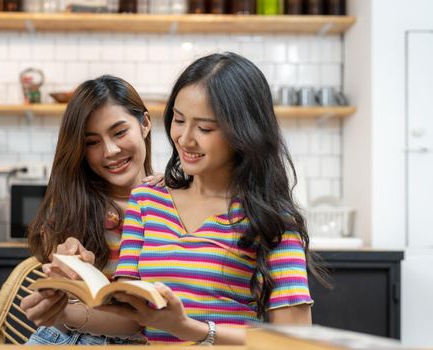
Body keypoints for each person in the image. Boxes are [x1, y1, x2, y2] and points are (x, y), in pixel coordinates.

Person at [100, 52, 317, 345]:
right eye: (178, 120)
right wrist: (69, 303)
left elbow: (295, 340)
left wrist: (190, 328)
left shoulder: (270, 220)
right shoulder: (146, 201)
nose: (185, 139)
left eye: (205, 128)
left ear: (245, 132)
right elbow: (127, 315)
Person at [21, 75, 161, 345]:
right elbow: (62, 311)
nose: (110, 151)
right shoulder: (72, 207)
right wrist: (67, 270)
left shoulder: (174, 199)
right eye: (92, 142)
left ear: (144, 124)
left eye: (120, 132)